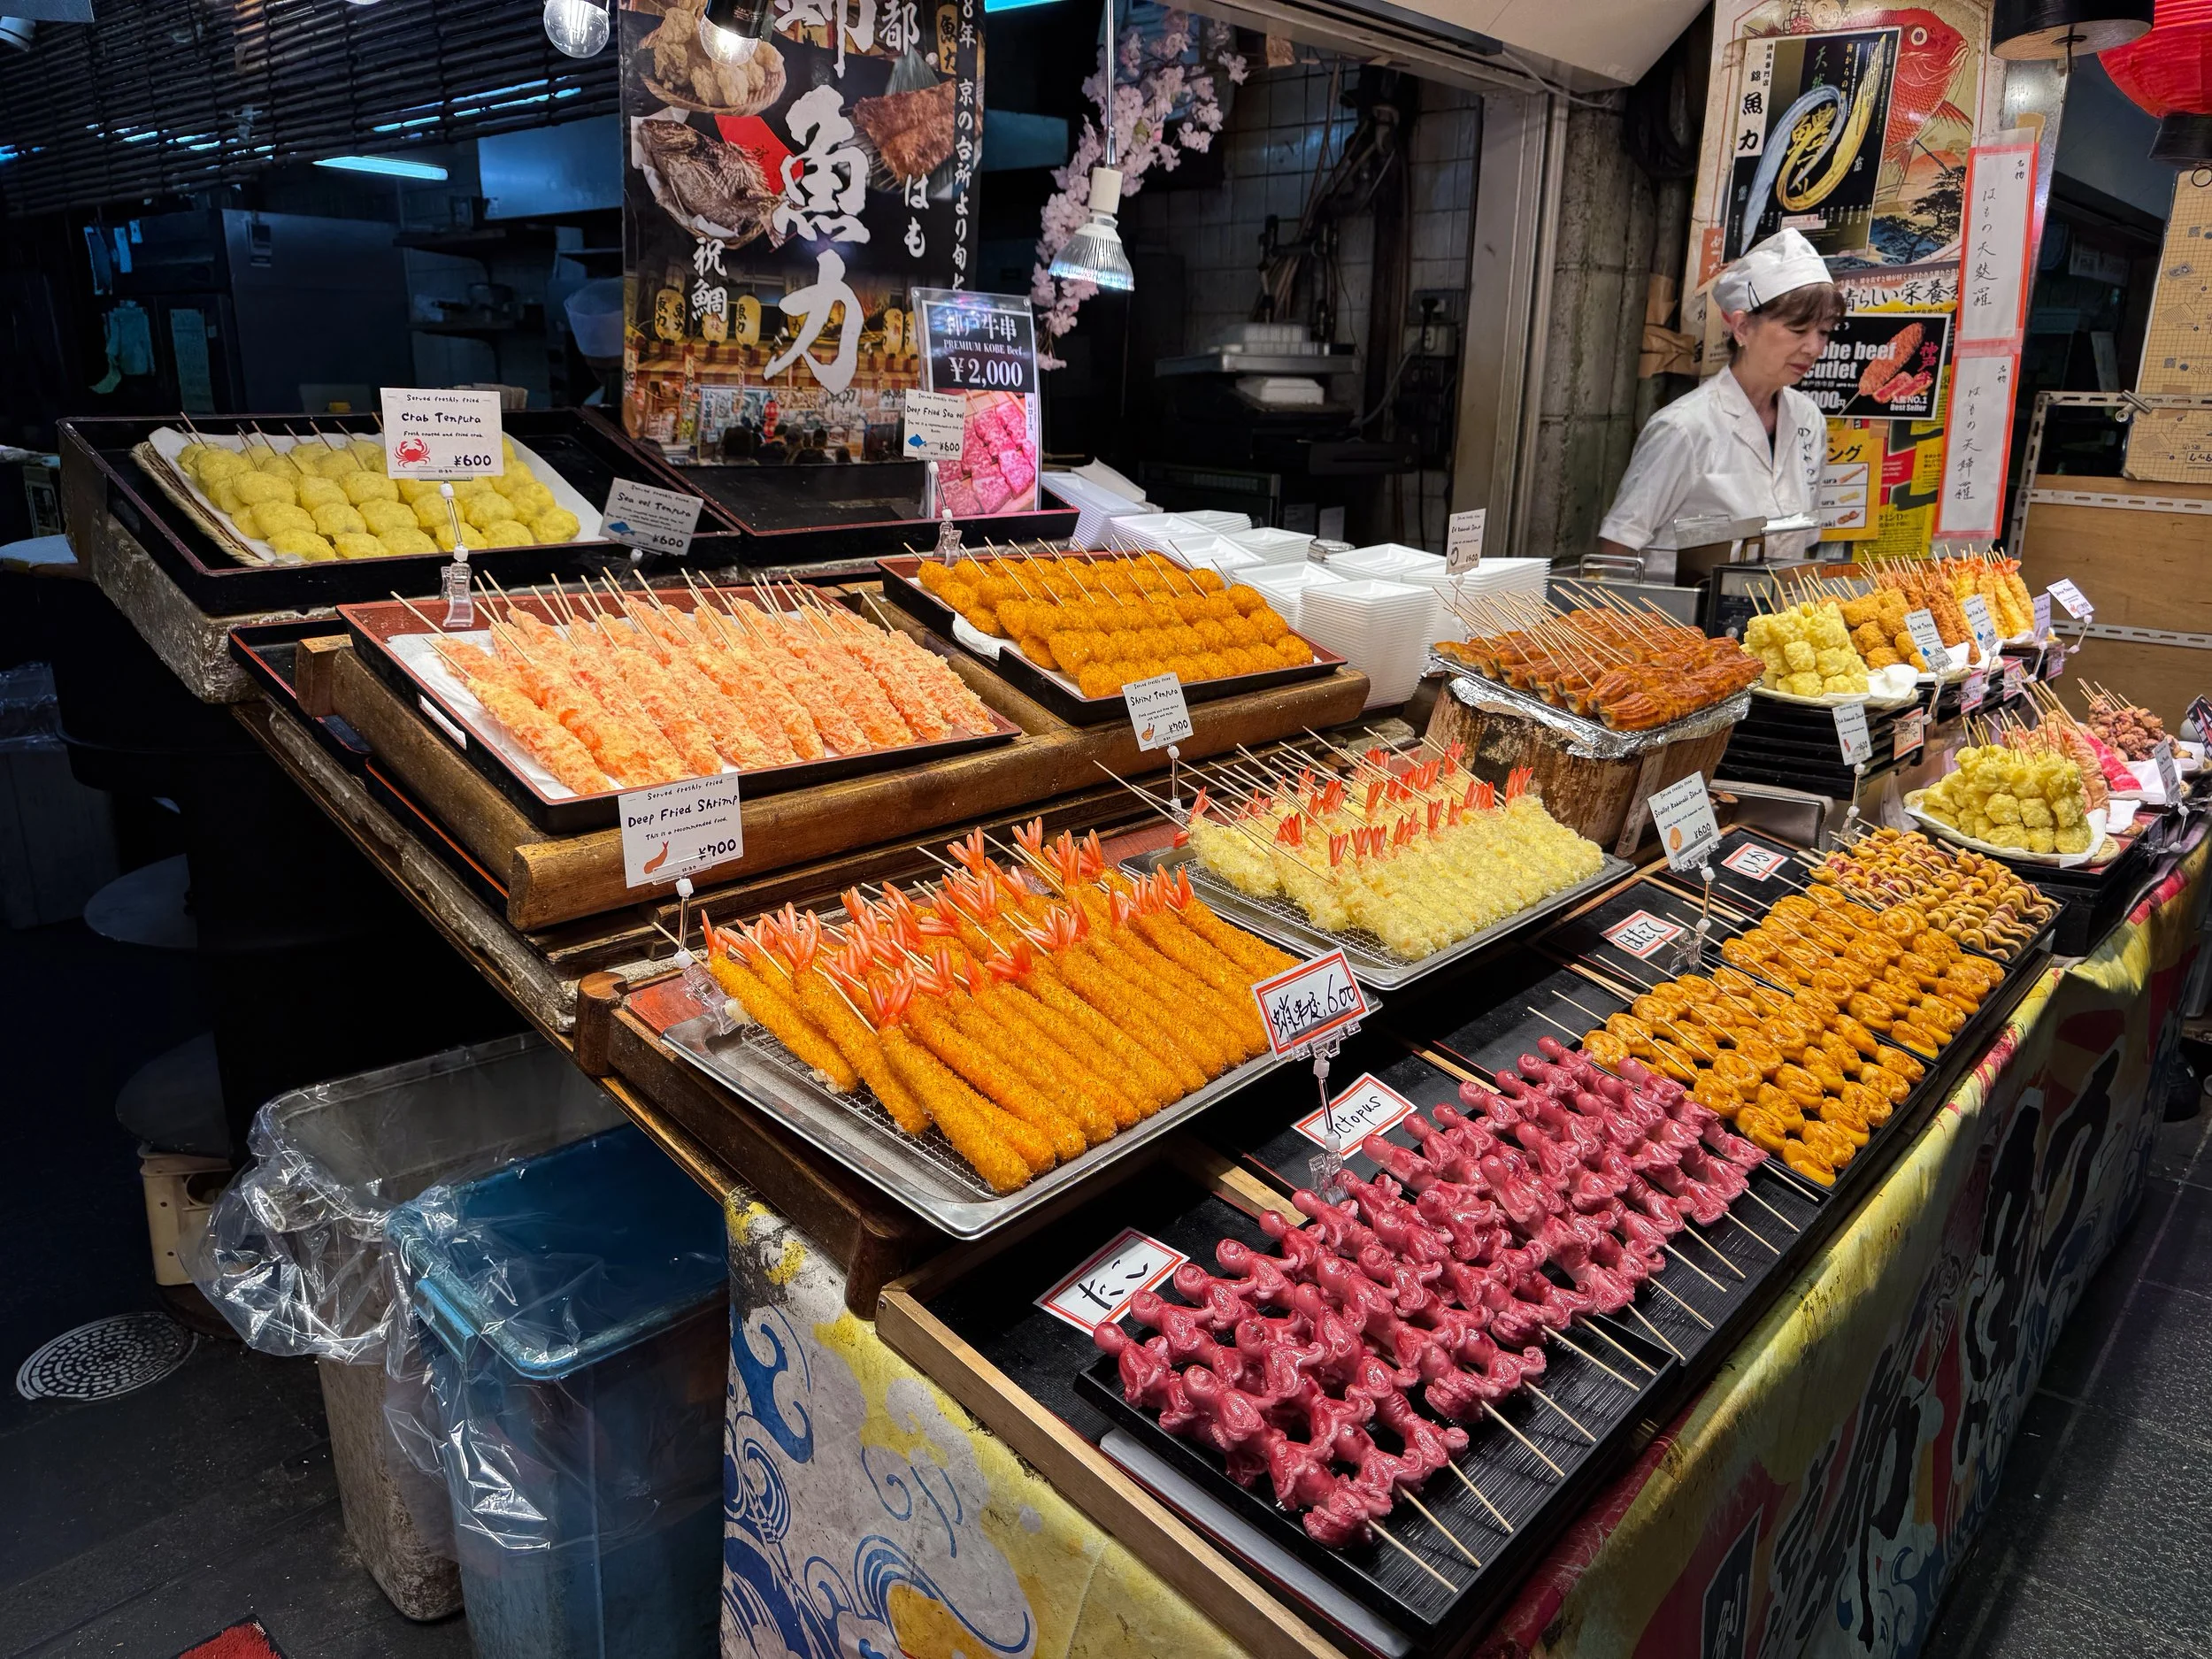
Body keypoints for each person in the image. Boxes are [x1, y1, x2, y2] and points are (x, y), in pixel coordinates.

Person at [1598, 227, 1843, 566]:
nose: (1814, 347)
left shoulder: (1808, 419)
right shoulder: (1684, 427)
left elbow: (1803, 538)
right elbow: (1616, 550)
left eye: (1824, 332)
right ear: (1742, 328)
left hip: (1776, 613)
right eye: (1798, 330)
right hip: (1679, 616)